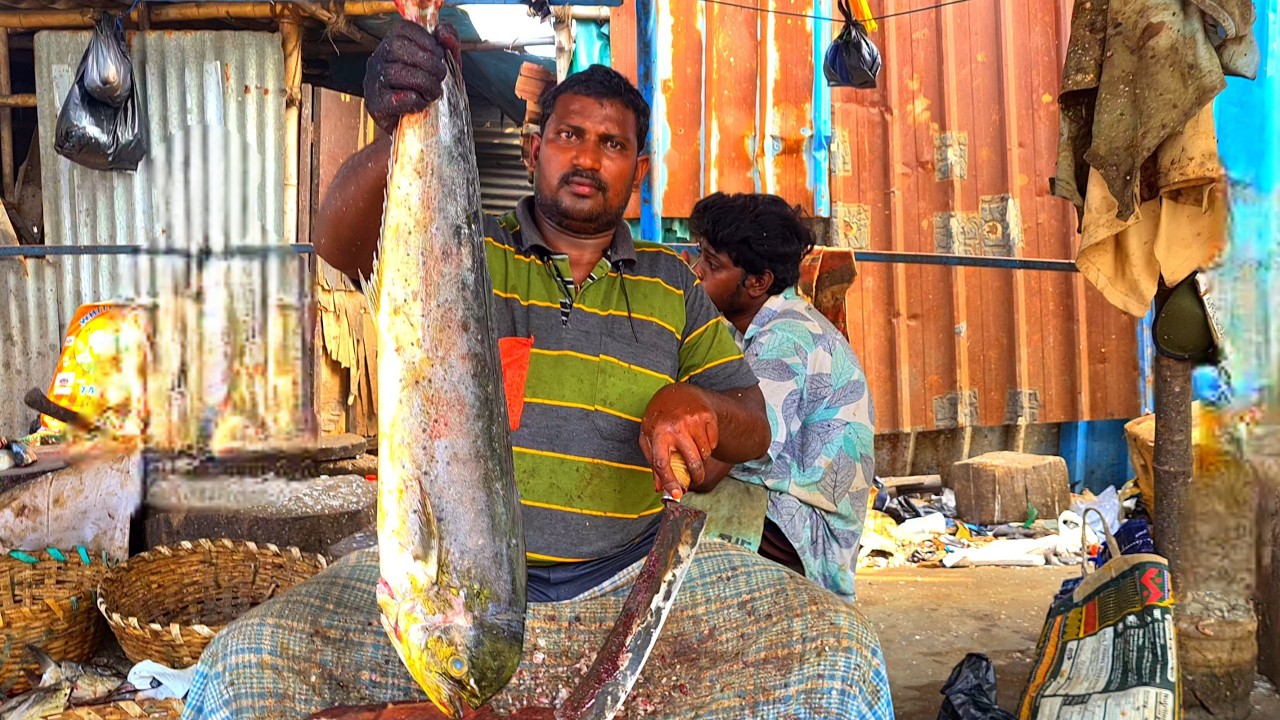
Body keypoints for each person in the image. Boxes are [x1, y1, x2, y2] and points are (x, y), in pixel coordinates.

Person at [180, 19, 893, 720]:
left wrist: (695, 406)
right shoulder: (463, 250)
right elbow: (341, 243)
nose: (587, 157)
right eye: (569, 136)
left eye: (612, 143)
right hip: (445, 594)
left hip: (630, 585)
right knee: (243, 666)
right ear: (533, 151)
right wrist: (398, 124)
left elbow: (754, 424)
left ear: (638, 170)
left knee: (839, 656)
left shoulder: (672, 284)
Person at [680, 192, 875, 601]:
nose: (696, 272)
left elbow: (713, 464)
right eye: (699, 256)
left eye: (712, 265)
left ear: (757, 282)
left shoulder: (785, 339)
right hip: (778, 500)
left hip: (808, 530)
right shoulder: (743, 328)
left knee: (666, 520)